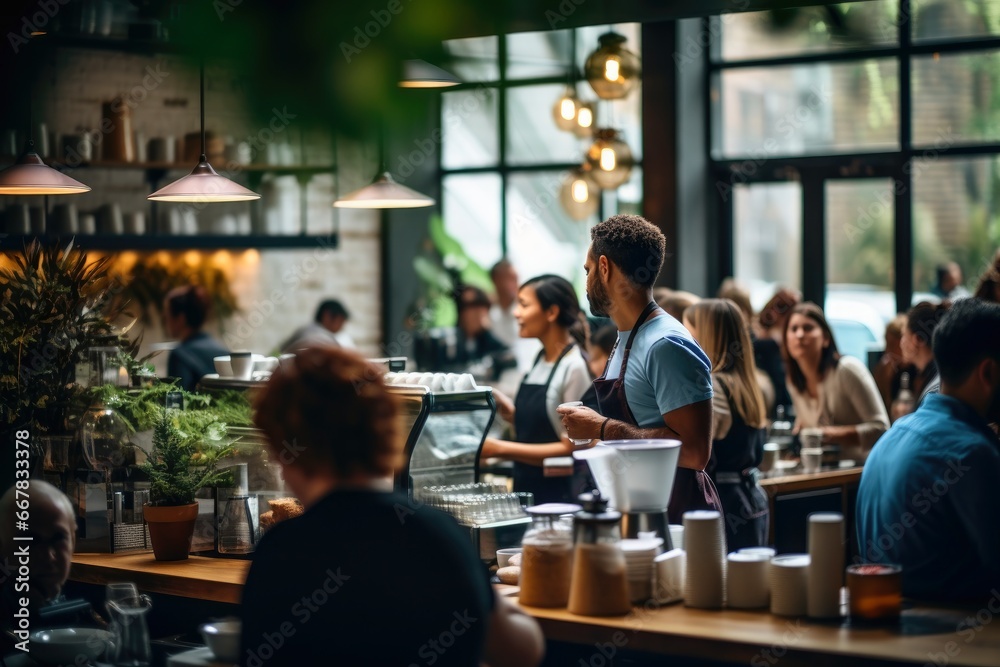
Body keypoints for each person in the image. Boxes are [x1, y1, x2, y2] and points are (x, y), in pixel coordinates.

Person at [244, 346, 544, 666]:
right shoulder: (434, 532)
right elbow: (522, 652)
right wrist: (489, 598)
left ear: (284, 451)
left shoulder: (280, 550)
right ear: (385, 429)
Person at [558, 214, 721, 524]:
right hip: (636, 509)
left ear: (604, 268)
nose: (586, 281)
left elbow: (696, 451)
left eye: (588, 270)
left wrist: (603, 428)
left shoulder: (666, 344)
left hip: (676, 519)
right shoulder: (625, 337)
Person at [856, 298, 1000, 603]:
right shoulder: (973, 454)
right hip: (962, 639)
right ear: (988, 373)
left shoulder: (893, 436)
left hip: (887, 632)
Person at [480, 275, 593, 504]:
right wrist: (510, 412)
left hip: (559, 496)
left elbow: (571, 447)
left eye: (524, 304)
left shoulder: (574, 367)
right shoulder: (540, 359)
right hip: (528, 488)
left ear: (551, 312)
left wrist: (500, 449)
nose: (516, 313)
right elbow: (544, 425)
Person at [683, 299, 769, 550]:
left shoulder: (715, 385)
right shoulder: (747, 384)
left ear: (706, 335)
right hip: (751, 497)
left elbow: (697, 444)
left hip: (726, 502)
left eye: (688, 331)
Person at [1, 481, 102, 655]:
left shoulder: (77, 612)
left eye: (58, 538)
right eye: (30, 540)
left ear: (73, 539)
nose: (49, 556)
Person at [784, 303, 889, 461]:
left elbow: (881, 428)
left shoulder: (847, 369)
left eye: (808, 328)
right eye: (793, 329)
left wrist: (830, 434)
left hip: (862, 469)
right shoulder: (793, 382)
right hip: (825, 473)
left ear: (825, 338)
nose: (799, 335)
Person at [417, 285, 513, 380]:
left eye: (483, 308)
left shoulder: (484, 338)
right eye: (472, 308)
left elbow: (508, 355)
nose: (479, 314)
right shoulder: (447, 341)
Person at [163, 285, 229, 391]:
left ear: (181, 319)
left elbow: (177, 401)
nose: (166, 323)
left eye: (167, 317)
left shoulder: (180, 356)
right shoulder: (223, 351)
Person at [900, 302, 950, 409]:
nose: (901, 343)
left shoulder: (936, 388)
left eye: (904, 335)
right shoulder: (941, 376)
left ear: (917, 339)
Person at [873, 314, 912, 416]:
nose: (888, 351)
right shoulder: (883, 367)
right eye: (887, 344)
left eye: (893, 345)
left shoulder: (918, 368)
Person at [279, 299, 354, 353]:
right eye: (341, 321)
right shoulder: (319, 338)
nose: (342, 327)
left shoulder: (305, 330)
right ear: (327, 316)